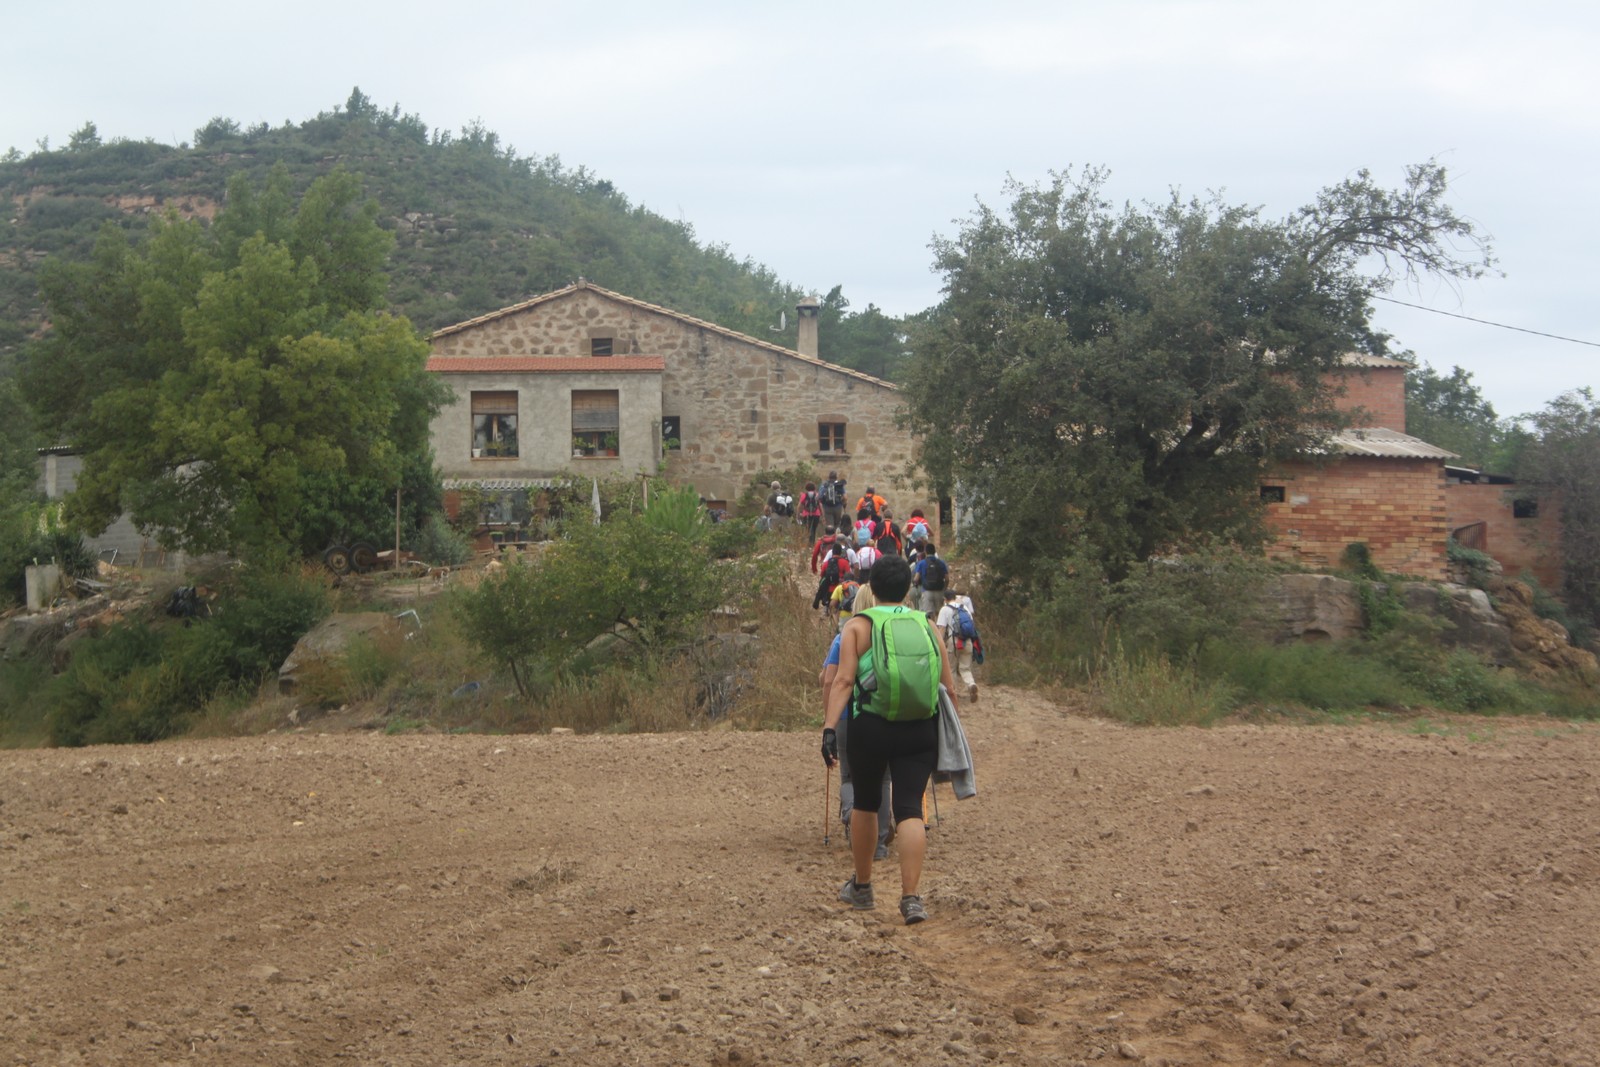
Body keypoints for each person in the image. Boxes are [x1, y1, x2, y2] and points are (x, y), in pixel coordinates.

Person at [822, 555, 957, 926]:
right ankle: (911, 898)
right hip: (920, 728)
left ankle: (863, 887)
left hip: (871, 727)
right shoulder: (928, 626)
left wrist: (830, 727)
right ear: (908, 589)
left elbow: (843, 681)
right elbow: (948, 687)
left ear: (873, 588)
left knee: (866, 803)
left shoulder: (858, 626)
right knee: (910, 808)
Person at [820, 587, 894, 860]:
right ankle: (879, 844)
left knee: (850, 777)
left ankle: (853, 816)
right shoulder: (891, 635)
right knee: (883, 779)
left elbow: (829, 680)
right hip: (884, 714)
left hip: (847, 718)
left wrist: (829, 719)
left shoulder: (845, 636)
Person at [937, 587, 980, 704]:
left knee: (951, 668)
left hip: (954, 642)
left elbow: (941, 628)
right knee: (965, 668)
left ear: (945, 599)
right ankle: (971, 684)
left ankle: (952, 692)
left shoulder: (945, 609)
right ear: (955, 597)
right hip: (968, 641)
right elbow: (972, 624)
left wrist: (939, 643)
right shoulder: (964, 607)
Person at [912, 544, 948, 617]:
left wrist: (915, 584)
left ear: (925, 552)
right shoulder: (941, 563)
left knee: (928, 616)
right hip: (939, 591)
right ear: (934, 551)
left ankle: (931, 624)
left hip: (926, 591)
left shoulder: (921, 563)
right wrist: (944, 589)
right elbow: (947, 579)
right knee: (939, 614)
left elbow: (916, 579)